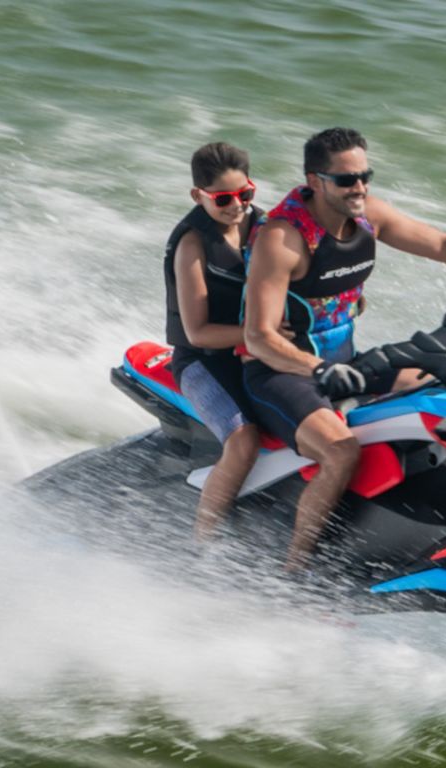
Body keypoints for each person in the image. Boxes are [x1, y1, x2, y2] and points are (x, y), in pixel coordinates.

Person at [242, 127, 446, 571]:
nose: (359, 187)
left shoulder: (368, 216)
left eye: (366, 176)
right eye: (346, 180)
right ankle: (295, 570)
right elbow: (259, 337)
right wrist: (317, 369)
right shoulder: (283, 240)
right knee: (341, 451)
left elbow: (440, 244)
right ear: (315, 181)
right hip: (282, 374)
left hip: (347, 366)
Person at [164, 141, 268, 543]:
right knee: (244, 441)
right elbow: (198, 333)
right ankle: (202, 545)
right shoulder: (192, 245)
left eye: (245, 194)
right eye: (223, 199)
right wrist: (262, 334)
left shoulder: (265, 226)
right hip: (203, 361)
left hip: (258, 350)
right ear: (198, 196)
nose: (237, 206)